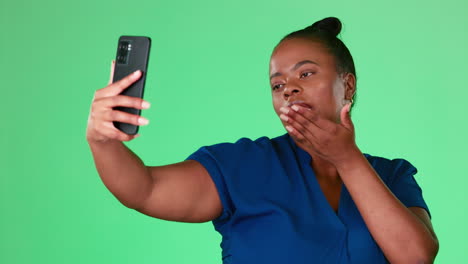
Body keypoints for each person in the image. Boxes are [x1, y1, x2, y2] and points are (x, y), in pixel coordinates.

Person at [86, 17, 439, 263]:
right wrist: (103, 141)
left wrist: (346, 159)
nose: (291, 89)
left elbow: (415, 256)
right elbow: (144, 189)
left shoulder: (392, 177)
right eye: (278, 84)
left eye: (306, 73)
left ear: (347, 85)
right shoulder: (242, 166)